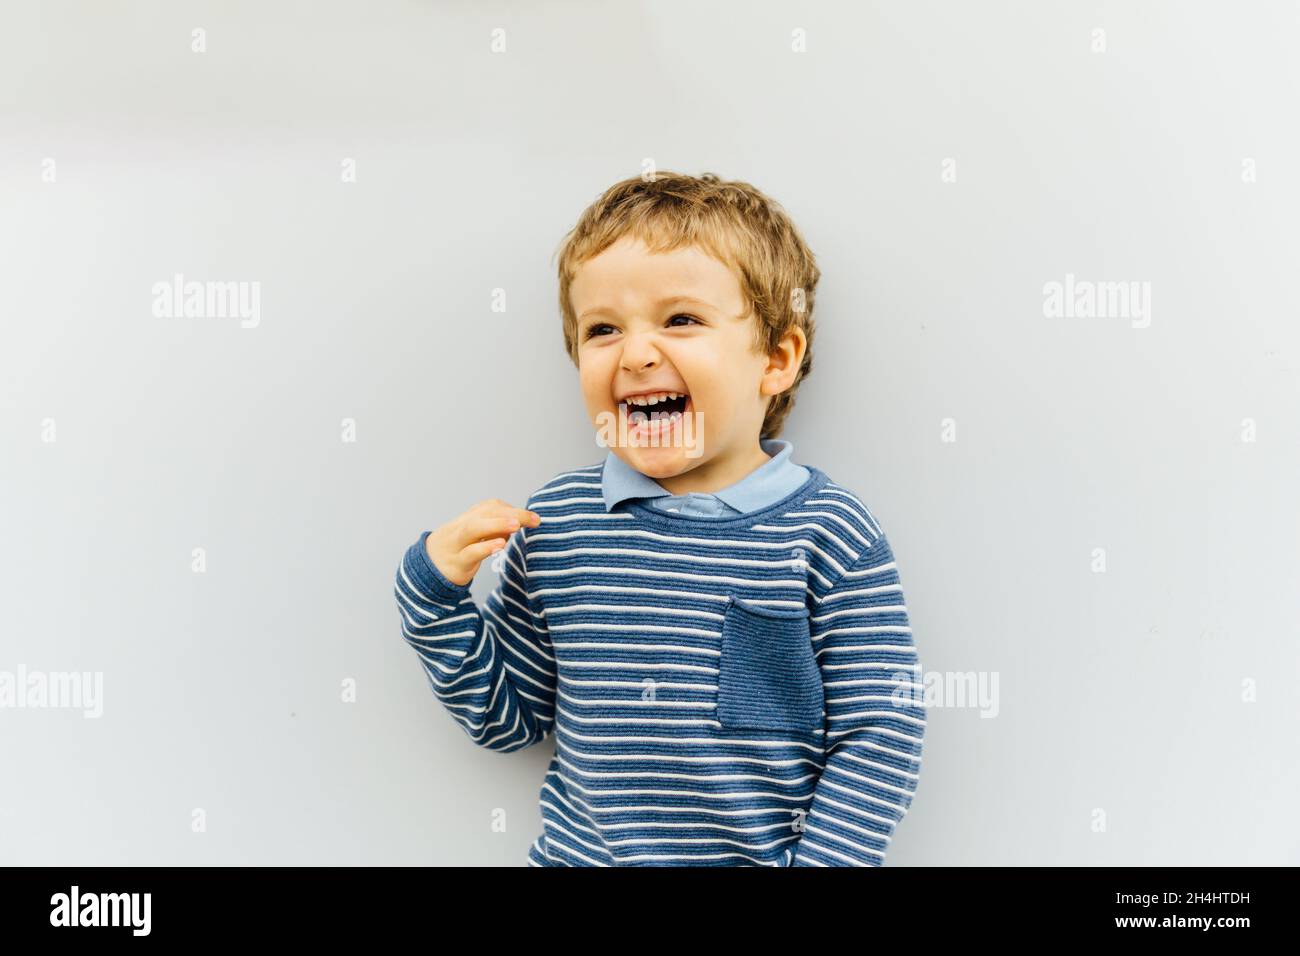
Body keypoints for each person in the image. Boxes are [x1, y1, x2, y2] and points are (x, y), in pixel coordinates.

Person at [393, 171, 925, 866]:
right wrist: (432, 601)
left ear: (776, 358)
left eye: (681, 319)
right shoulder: (558, 524)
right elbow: (507, 721)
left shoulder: (828, 532)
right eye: (603, 329)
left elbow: (881, 732)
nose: (637, 353)